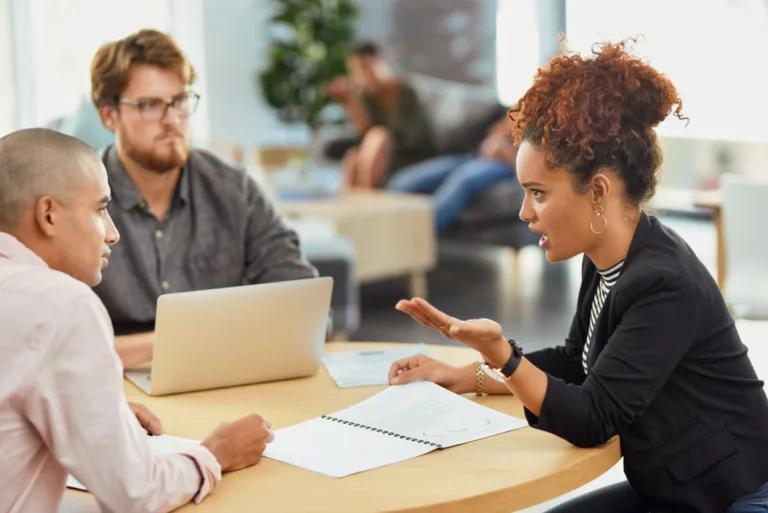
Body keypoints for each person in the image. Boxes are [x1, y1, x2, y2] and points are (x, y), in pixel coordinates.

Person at [387, 41, 768, 513]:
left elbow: (593, 417)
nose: (526, 212)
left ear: (599, 191)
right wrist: (466, 375)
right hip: (674, 487)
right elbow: (575, 362)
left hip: (735, 494)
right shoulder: (609, 256)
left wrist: (503, 356)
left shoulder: (663, 282)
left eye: (538, 193)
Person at [0, 128, 273, 513]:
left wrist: (87, 406)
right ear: (48, 215)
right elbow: (135, 493)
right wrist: (216, 453)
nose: (112, 233)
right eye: (99, 209)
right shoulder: (62, 304)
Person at [88, 29, 319, 368]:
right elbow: (53, 342)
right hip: (116, 392)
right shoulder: (79, 199)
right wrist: (166, 345)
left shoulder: (232, 188)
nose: (172, 121)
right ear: (109, 115)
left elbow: (302, 305)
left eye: (180, 101)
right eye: (150, 105)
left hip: (224, 373)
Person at [326, 41, 436, 189]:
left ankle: (368, 199)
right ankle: (348, 204)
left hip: (411, 154)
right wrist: (350, 102)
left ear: (379, 63)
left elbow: (409, 139)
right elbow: (365, 133)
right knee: (353, 156)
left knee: (380, 136)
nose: (361, 76)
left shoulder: (404, 90)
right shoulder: (366, 95)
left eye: (364, 68)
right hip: (382, 153)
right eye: (356, 71)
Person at [387, 116, 518, 230]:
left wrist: (507, 154)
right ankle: (383, 220)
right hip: (475, 155)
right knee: (402, 182)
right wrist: (495, 140)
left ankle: (418, 231)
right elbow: (502, 126)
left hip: (506, 164)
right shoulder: (525, 104)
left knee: (463, 178)